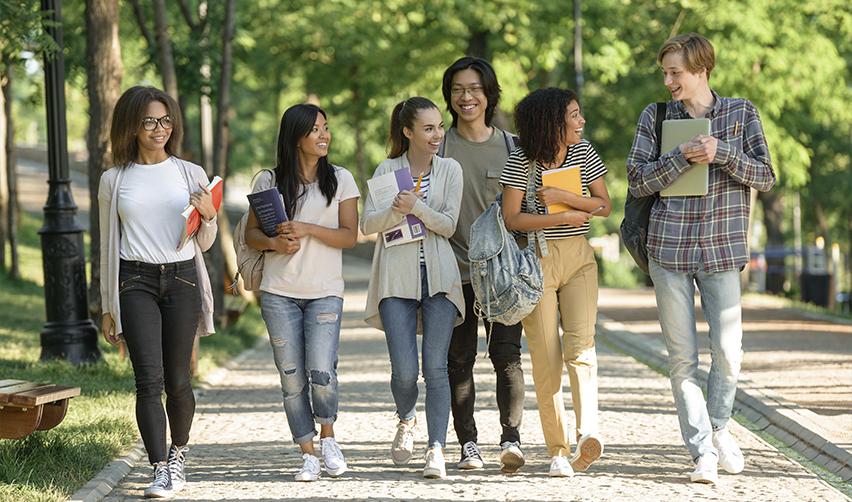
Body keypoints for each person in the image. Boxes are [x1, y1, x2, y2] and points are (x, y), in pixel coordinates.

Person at [626, 33, 775, 484]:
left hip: (722, 249)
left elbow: (765, 176)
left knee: (729, 354)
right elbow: (636, 180)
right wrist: (680, 158)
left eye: (676, 73)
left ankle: (719, 427)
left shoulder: (741, 112)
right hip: (668, 249)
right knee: (682, 359)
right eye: (665, 73)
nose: (669, 81)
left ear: (701, 69)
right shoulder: (655, 116)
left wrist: (722, 153)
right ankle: (701, 452)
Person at [98, 86, 218, 499]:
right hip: (135, 282)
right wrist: (106, 306)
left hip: (182, 278)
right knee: (148, 381)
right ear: (131, 126)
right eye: (149, 121)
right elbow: (107, 245)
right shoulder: (113, 181)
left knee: (178, 380)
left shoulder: (190, 173)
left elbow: (204, 243)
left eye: (165, 120)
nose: (158, 128)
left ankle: (179, 453)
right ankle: (159, 469)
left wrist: (209, 216)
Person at [244, 103, 360, 482]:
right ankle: (307, 451)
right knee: (291, 376)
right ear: (295, 137)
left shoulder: (341, 179)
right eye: (315, 130)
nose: (324, 135)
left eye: (326, 127)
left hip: (325, 291)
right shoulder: (268, 181)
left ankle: (328, 438)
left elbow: (349, 236)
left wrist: (308, 228)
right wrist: (275, 245)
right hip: (278, 293)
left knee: (322, 370)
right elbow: (251, 236)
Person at [500, 88, 610, 477]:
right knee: (547, 359)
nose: (581, 122)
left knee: (582, 348)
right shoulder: (521, 161)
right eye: (575, 116)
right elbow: (512, 218)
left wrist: (566, 197)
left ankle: (587, 433)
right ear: (552, 122)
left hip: (579, 258)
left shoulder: (583, 153)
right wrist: (556, 218)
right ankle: (558, 450)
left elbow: (603, 205)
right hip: (537, 262)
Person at [361, 97, 464, 479]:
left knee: (435, 367)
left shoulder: (450, 169)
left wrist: (417, 207)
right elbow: (369, 224)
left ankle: (436, 447)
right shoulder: (387, 169)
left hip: (439, 278)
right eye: (428, 128)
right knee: (404, 372)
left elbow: (450, 225)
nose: (437, 134)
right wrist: (396, 210)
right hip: (395, 278)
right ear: (408, 132)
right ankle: (406, 418)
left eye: (439, 126)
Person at [439, 56, 526, 473]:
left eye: (474, 88)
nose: (466, 97)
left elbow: (527, 208)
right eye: (458, 90)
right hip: (452, 274)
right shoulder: (437, 147)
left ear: (489, 94)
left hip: (502, 278)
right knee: (459, 361)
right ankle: (467, 443)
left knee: (507, 356)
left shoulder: (513, 147)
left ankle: (511, 439)